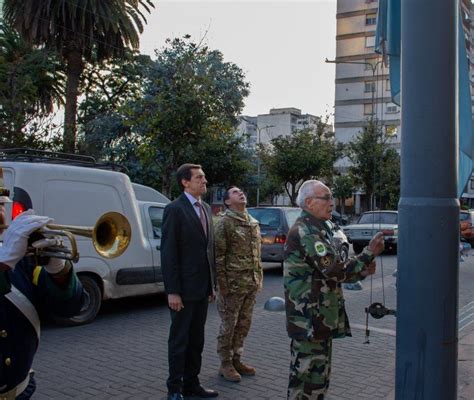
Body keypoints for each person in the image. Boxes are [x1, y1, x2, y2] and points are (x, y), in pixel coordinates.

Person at [284, 180, 384, 400]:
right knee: (307, 383)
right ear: (309, 202)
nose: (332, 202)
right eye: (326, 198)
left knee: (317, 381)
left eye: (331, 197)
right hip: (309, 320)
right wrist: (368, 253)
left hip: (319, 319)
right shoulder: (306, 231)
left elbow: (328, 272)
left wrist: (362, 271)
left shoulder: (318, 227)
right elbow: (334, 270)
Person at [0, 183, 85, 399]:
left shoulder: (19, 256)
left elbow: (69, 308)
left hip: (19, 391)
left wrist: (58, 268)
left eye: (1, 204)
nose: (1, 215)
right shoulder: (9, 255)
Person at [161, 163, 218, 400]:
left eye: (204, 177)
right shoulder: (174, 209)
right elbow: (169, 253)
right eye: (199, 178)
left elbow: (208, 251)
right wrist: (172, 291)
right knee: (179, 341)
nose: (204, 181)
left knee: (197, 340)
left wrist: (211, 285)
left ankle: (192, 384)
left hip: (201, 289)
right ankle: (174, 389)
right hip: (182, 291)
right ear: (185, 182)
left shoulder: (205, 208)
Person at [214, 186, 263, 382]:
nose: (241, 193)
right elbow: (218, 257)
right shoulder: (224, 222)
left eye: (241, 191)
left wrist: (258, 279)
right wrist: (222, 285)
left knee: (243, 325)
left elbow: (256, 254)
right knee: (229, 326)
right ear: (227, 202)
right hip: (232, 285)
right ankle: (225, 363)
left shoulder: (252, 222)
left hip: (250, 283)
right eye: (235, 192)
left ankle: (237, 359)